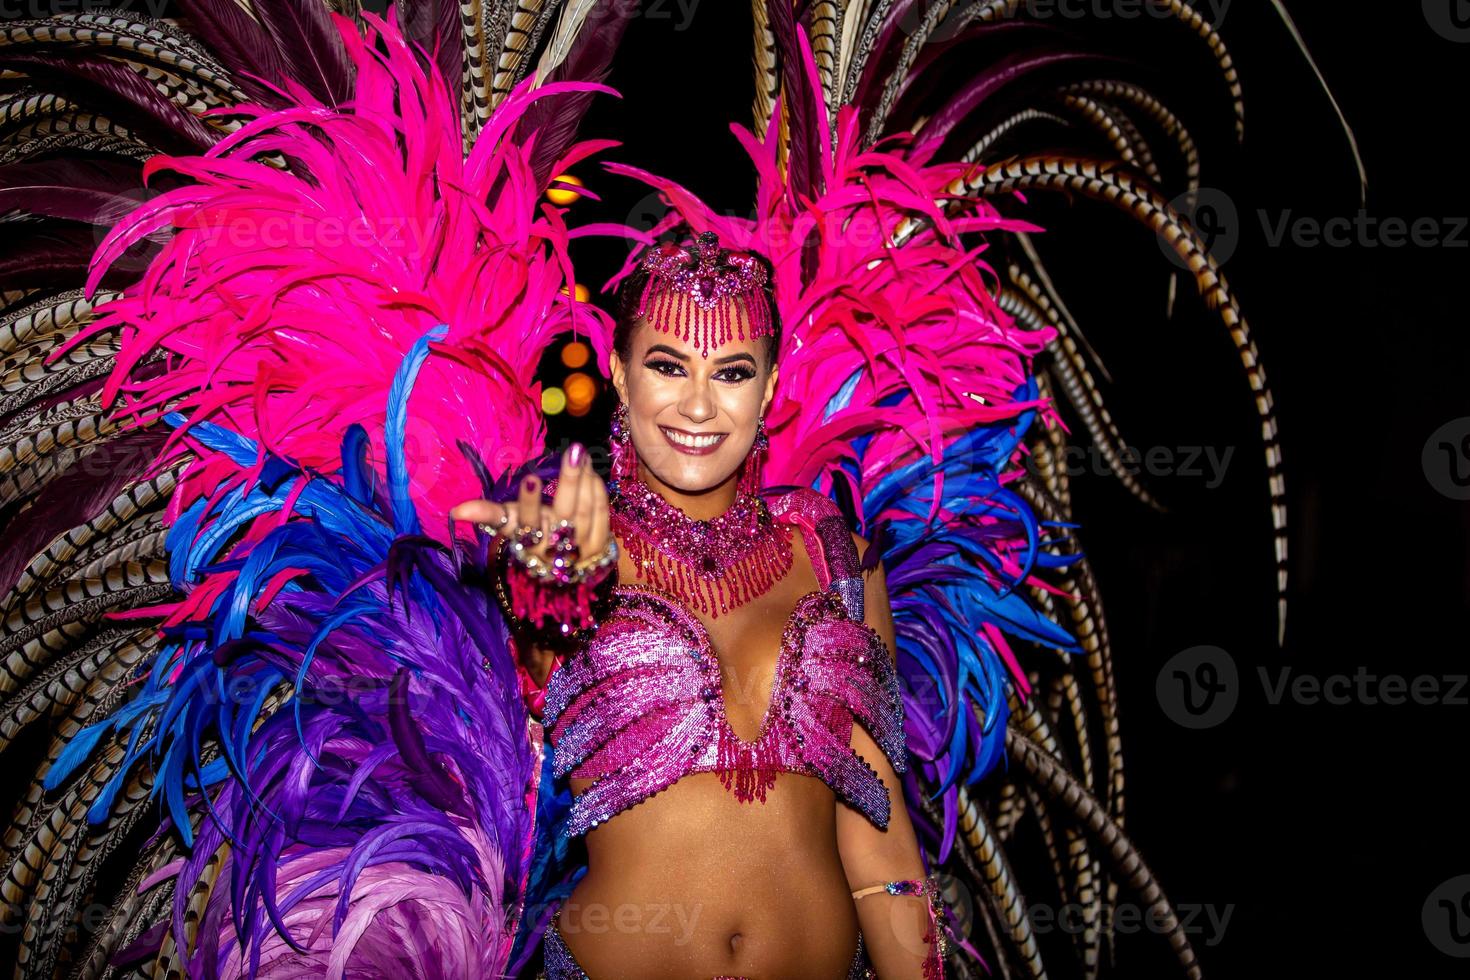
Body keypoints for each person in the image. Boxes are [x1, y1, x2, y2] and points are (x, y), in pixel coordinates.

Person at [452, 234, 948, 978]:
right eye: (667, 365)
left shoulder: (832, 553)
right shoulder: (567, 544)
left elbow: (881, 846)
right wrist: (549, 582)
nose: (697, 404)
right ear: (620, 374)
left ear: (770, 385)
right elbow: (532, 663)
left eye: (732, 372)